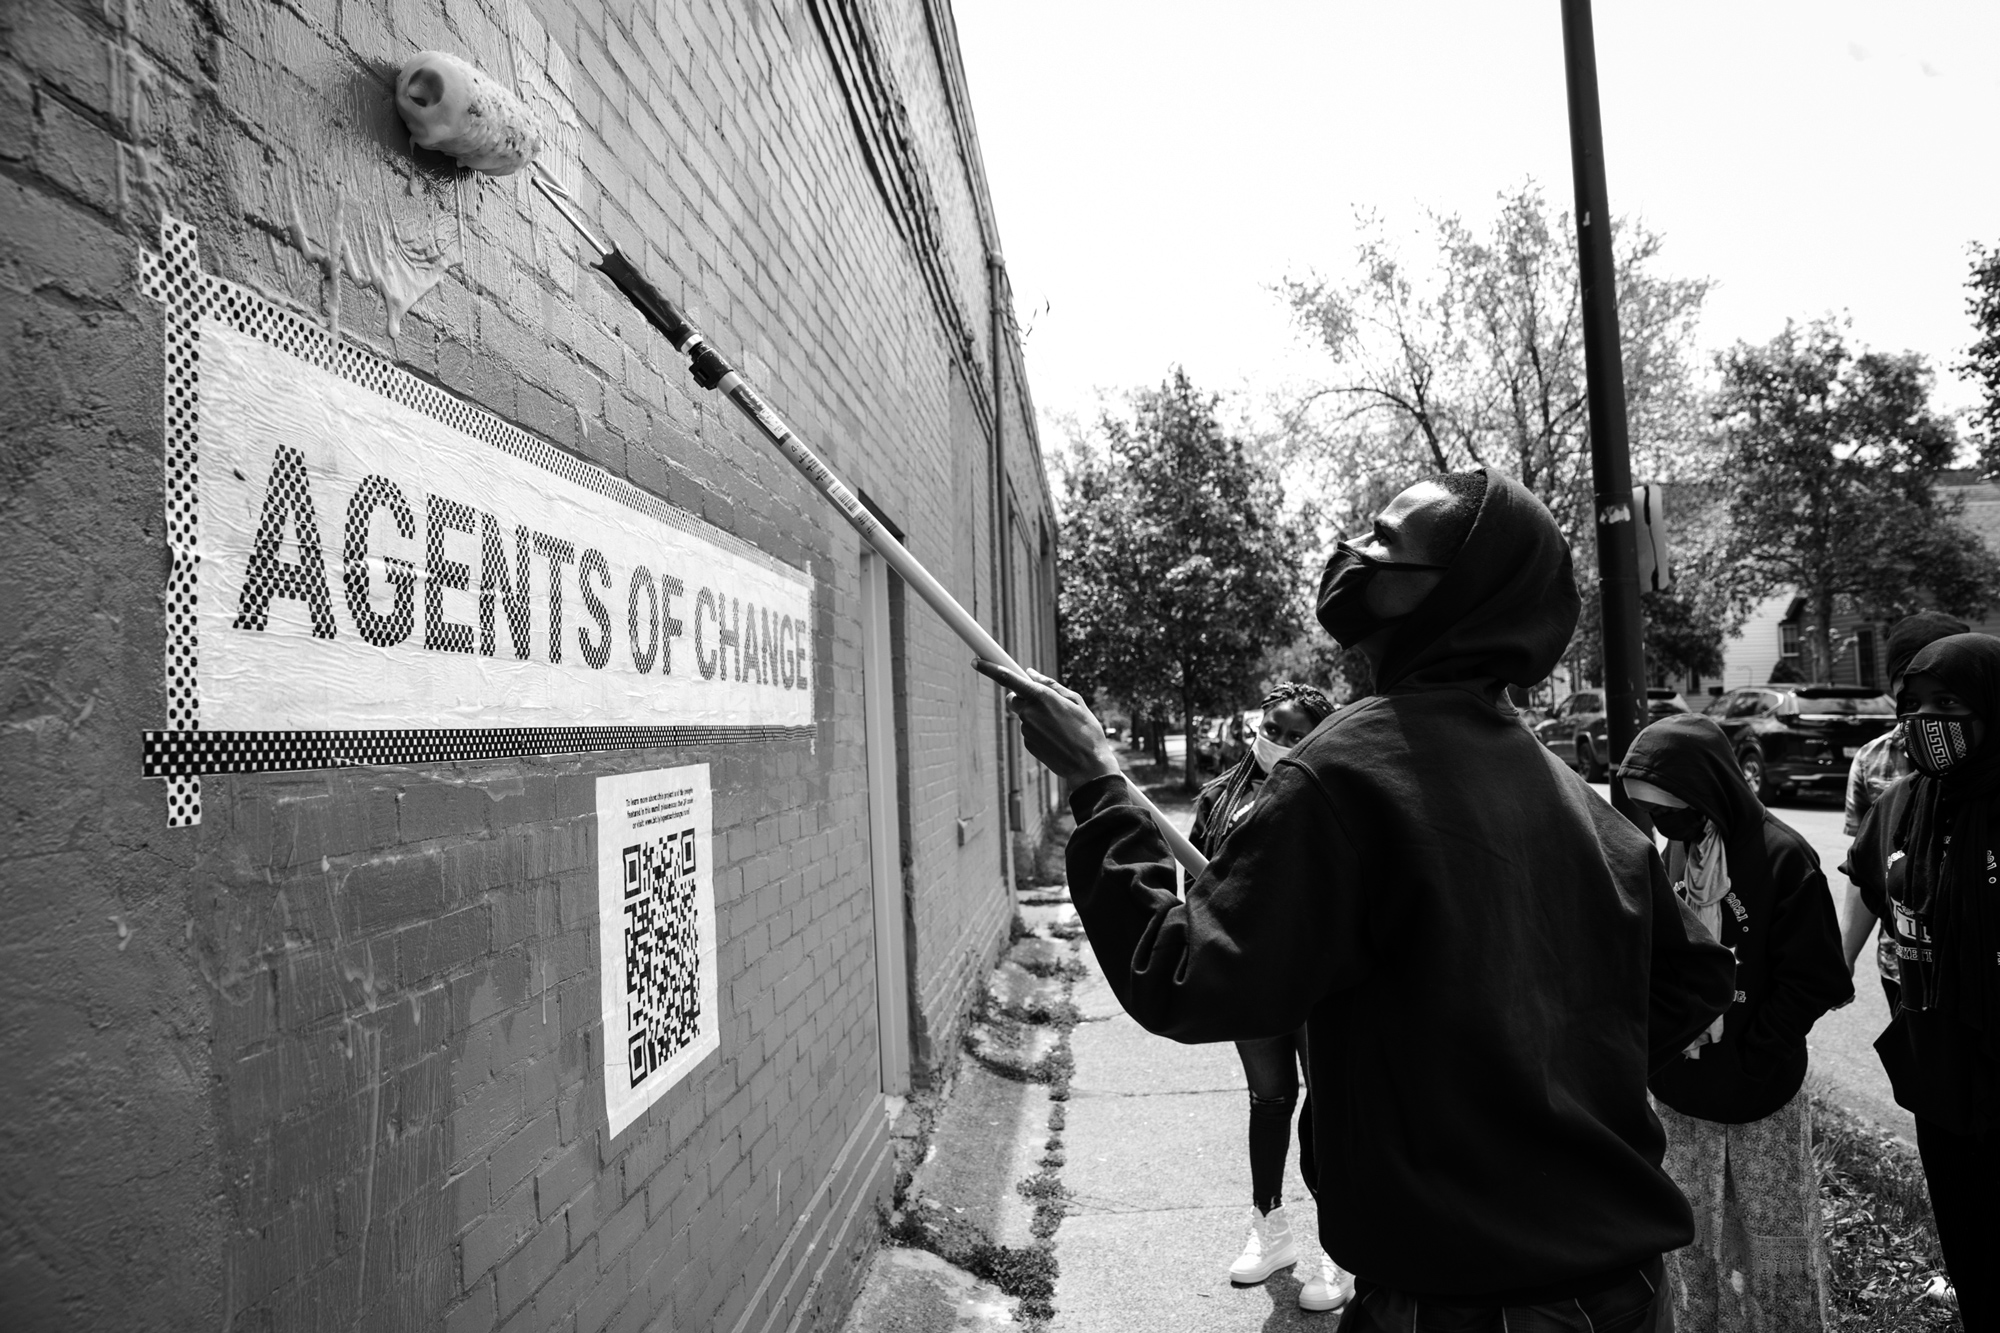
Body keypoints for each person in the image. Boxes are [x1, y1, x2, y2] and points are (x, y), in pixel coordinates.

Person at [980, 468, 1735, 1330]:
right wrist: (1519, 1065)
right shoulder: (1569, 794)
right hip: (1627, 1294)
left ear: (1454, 595)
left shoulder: (1350, 770)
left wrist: (1099, 786)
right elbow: (1689, 984)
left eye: (1381, 543)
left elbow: (1185, 975)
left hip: (1466, 1307)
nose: (1351, 556)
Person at [1620, 714, 1852, 1331]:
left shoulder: (1782, 858)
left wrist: (1759, 1052)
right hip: (1680, 1092)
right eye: (1650, 812)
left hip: (1760, 1094)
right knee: (1687, 1245)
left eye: (1670, 809)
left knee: (1776, 1248)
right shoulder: (1677, 853)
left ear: (1709, 792)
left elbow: (1817, 980)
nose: (1661, 824)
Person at [1843, 633, 2000, 1330]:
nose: (1926, 721)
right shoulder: (1903, 804)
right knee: (1968, 1229)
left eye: (1949, 703)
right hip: (1939, 1059)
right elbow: (1872, 885)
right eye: (1914, 706)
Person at [1189, 682, 1348, 1308]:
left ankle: (1342, 1251)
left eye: (1289, 731)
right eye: (1268, 726)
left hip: (1316, 978)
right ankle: (1270, 1229)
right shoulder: (1217, 799)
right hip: (1250, 977)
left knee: (1330, 1104)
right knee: (1269, 1098)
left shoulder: (1330, 794)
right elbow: (1195, 887)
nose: (1272, 740)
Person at [1840, 612, 1970, 1010]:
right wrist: (1843, 958)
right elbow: (1865, 870)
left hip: (1978, 972)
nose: (1928, 709)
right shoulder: (1872, 759)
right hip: (1903, 968)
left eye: (1945, 692)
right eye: (1911, 689)